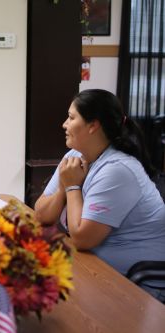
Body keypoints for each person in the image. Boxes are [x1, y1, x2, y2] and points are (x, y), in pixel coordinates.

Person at [34, 89, 165, 301]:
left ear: (93, 125)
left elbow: (82, 238)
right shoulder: (74, 156)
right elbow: (41, 215)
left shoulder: (118, 169)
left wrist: (72, 187)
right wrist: (63, 189)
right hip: (99, 269)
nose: (64, 124)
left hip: (142, 283)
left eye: (71, 118)